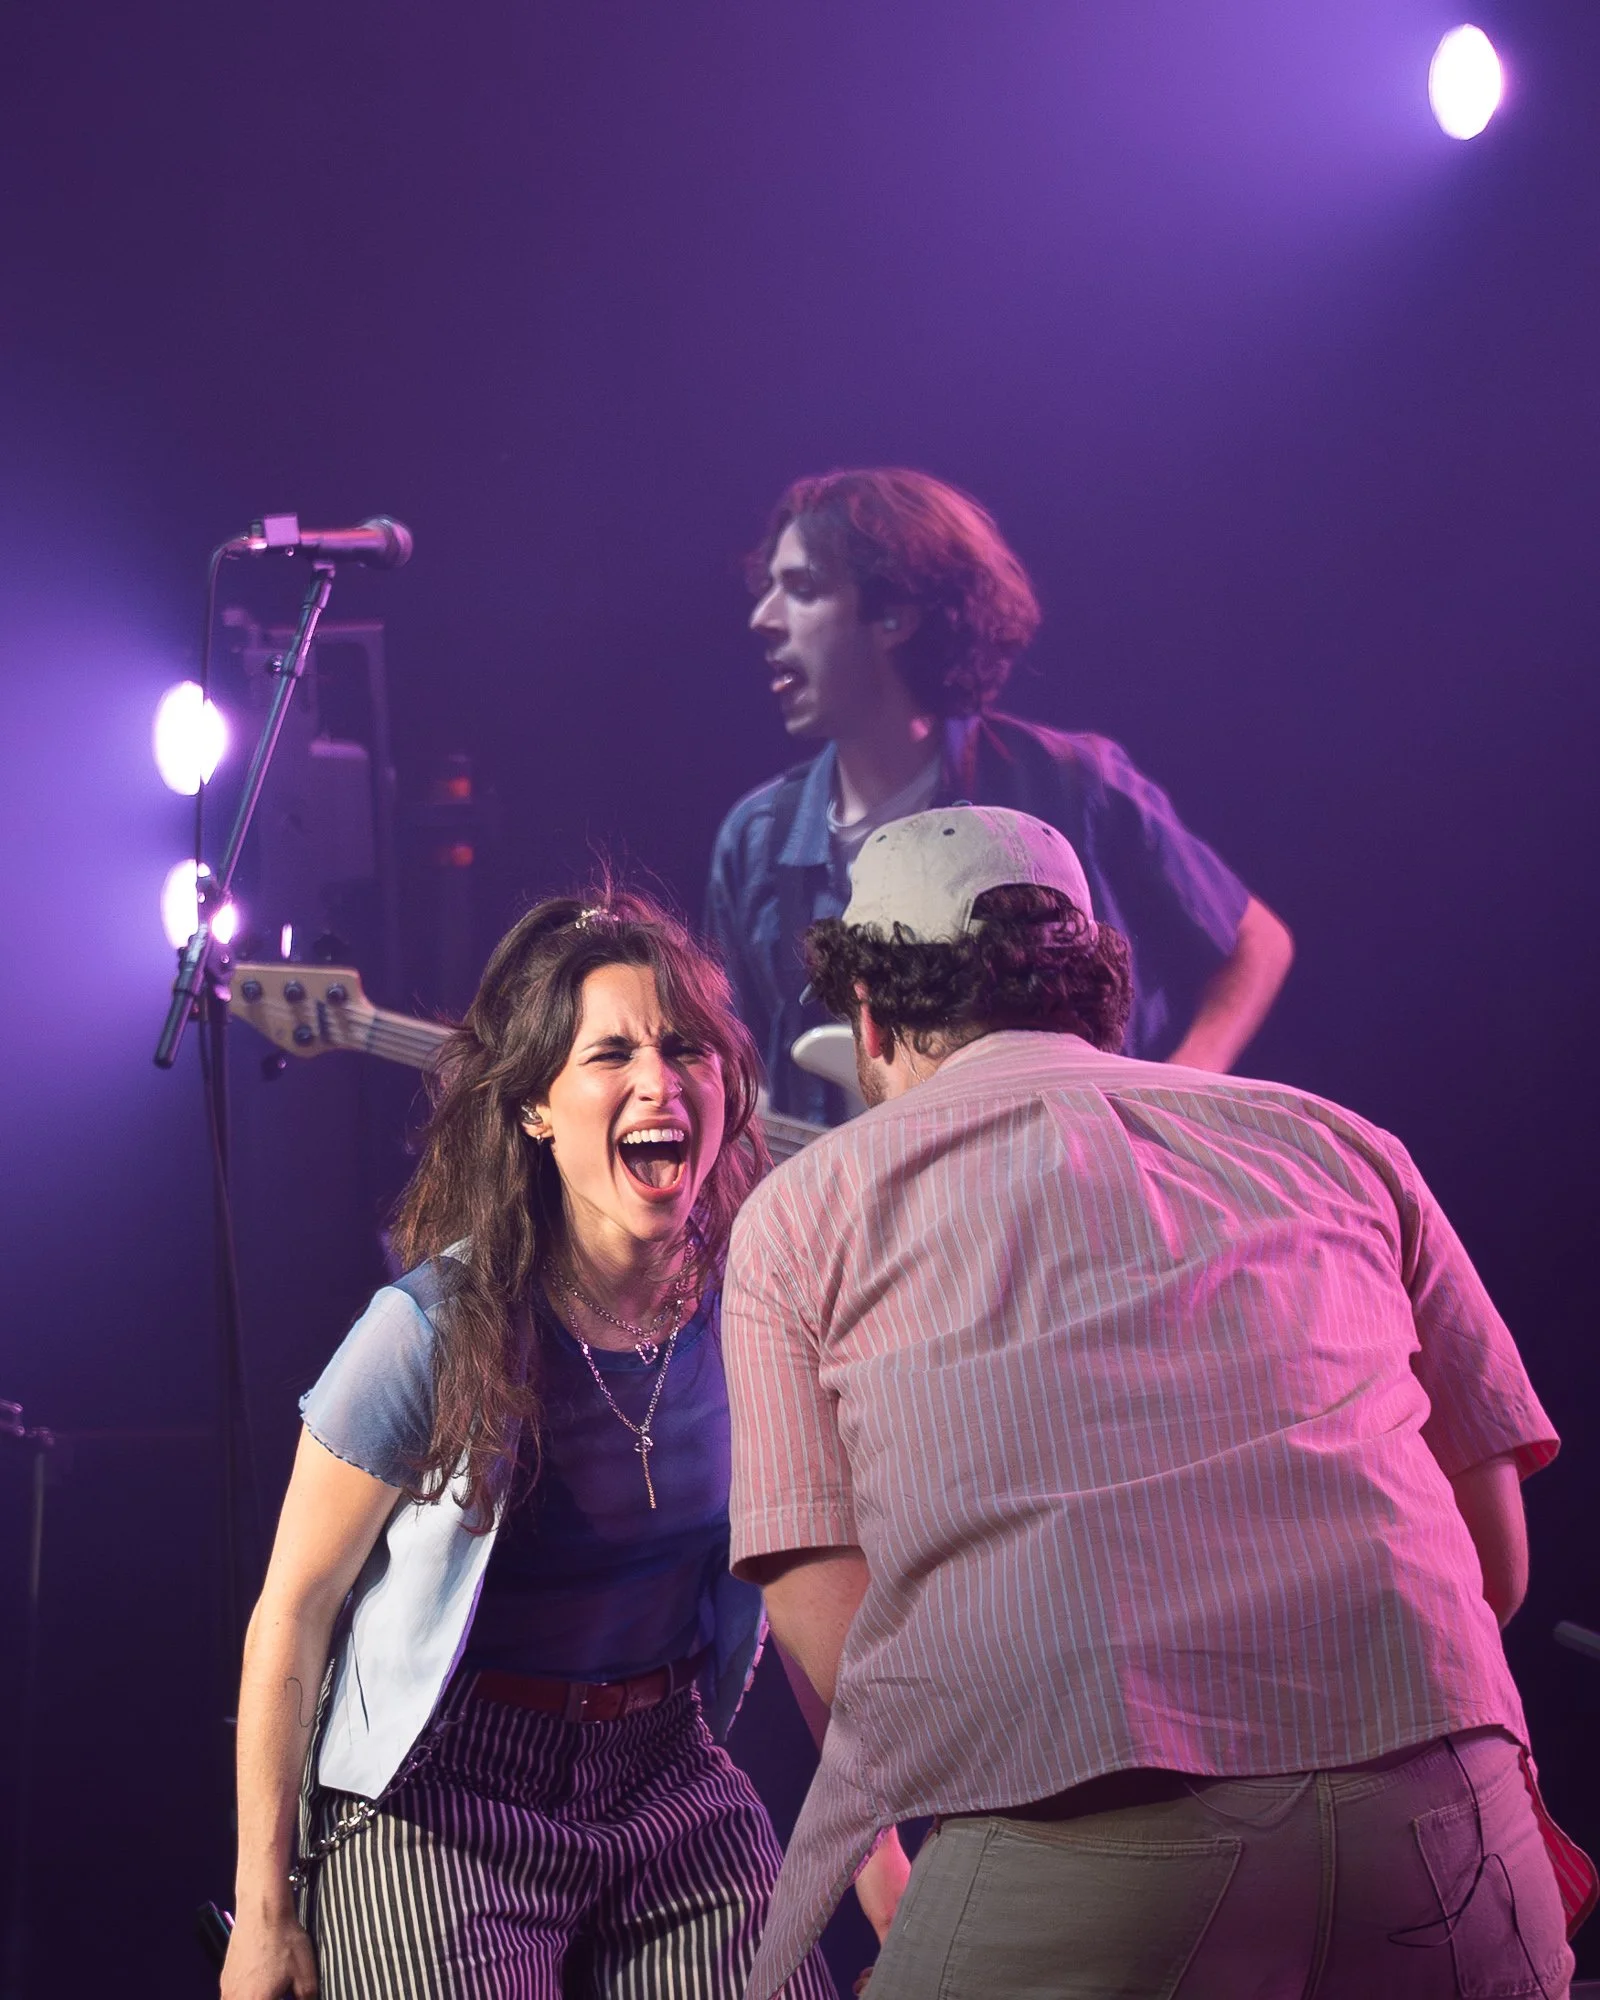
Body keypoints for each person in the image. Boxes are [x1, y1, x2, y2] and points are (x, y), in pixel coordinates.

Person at [721, 806, 1588, 2000]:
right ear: (1098, 991)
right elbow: (1496, 1566)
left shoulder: (798, 1210)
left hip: (1091, 1842)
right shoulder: (1339, 1142)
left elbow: (858, 1658)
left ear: (867, 1018)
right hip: (1446, 1819)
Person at [220, 891, 837, 2000]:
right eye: (611, 1053)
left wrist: (877, 1850)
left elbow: (802, 1596)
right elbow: (294, 1611)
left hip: (665, 1771)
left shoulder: (757, 1315)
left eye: (683, 1045)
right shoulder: (425, 1328)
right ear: (537, 1112)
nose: (659, 1078)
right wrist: (263, 1916)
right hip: (444, 1792)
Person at [705, 467, 1294, 1125]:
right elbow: (735, 1052)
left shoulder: (1070, 781)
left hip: (1079, 1181)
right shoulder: (754, 837)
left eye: (804, 590)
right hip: (870, 1209)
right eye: (767, 591)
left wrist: (1175, 1094)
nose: (762, 619)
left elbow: (1254, 942)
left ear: (896, 612)